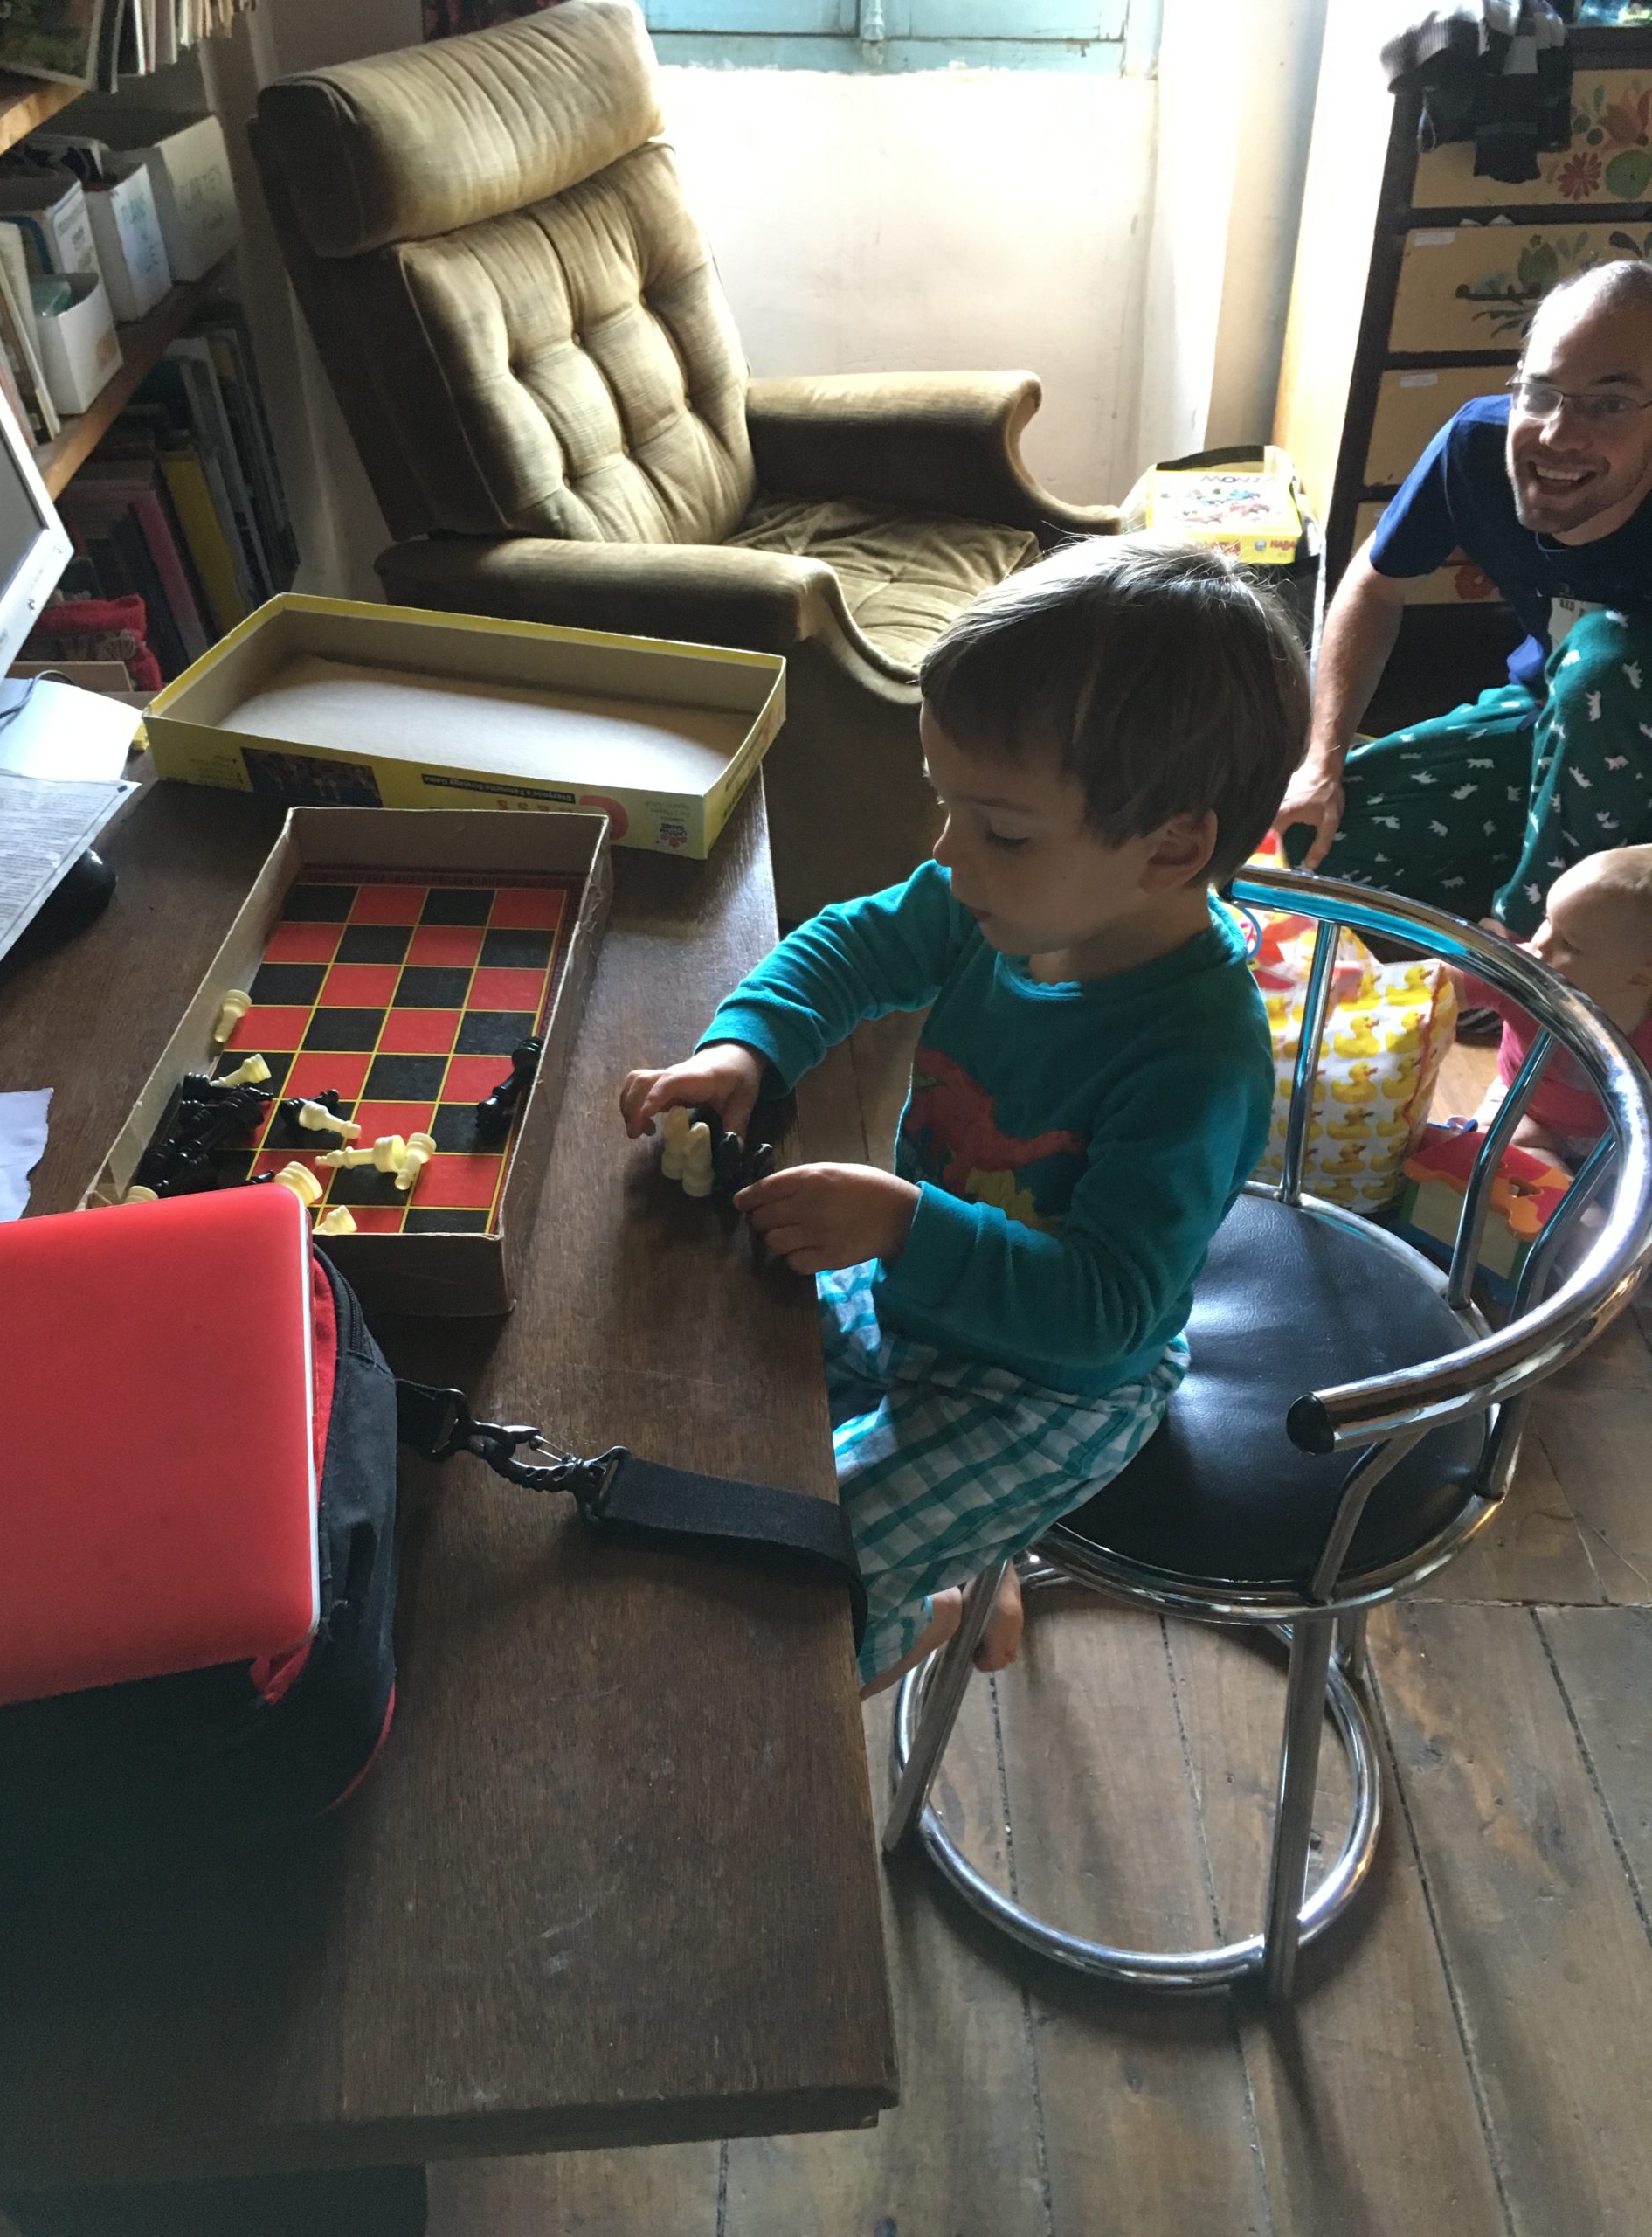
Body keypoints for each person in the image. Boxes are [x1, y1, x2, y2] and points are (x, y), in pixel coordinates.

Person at [619, 539, 1310, 1693]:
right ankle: (977, 1564)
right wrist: (747, 1045)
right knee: (702, 1383)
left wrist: (905, 1225)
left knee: (810, 1584)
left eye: (1001, 828)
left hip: (1057, 1389)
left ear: (1174, 846)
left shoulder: (1197, 1058)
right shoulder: (1005, 903)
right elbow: (852, 947)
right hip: (917, 1299)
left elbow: (1104, 1309)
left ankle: (937, 1606)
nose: (946, 852)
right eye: (947, 805)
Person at [1276, 260, 1652, 936]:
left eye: (1609, 406)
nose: (1558, 434)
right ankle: (1532, 884)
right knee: (1317, 850)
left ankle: (1528, 943)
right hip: (1543, 718)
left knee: (1604, 657)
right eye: (1540, 393)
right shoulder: (1476, 446)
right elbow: (1373, 585)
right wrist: (1321, 761)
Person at [1465, 845, 1652, 1170]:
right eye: (1547, 920)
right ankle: (1564, 1193)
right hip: (1527, 1109)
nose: (1540, 943)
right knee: (1493, 1149)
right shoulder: (1524, 973)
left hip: (1625, 1133)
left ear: (1639, 978)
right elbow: (1441, 982)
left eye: (1570, 945)